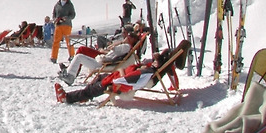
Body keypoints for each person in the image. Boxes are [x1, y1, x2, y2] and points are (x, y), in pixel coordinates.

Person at [55, 41, 189, 104]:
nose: (153, 61)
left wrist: (118, 75)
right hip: (117, 75)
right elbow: (169, 68)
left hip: (117, 81)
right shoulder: (149, 68)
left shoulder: (146, 72)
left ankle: (67, 97)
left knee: (97, 86)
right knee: (99, 78)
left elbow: (127, 80)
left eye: (155, 61)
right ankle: (85, 96)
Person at [50, 0, 76, 64]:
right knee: (56, 41)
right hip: (58, 25)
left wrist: (66, 18)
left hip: (67, 25)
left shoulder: (70, 5)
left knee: (69, 41)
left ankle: (72, 56)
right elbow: (54, 14)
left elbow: (73, 15)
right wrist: (55, 19)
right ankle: (54, 57)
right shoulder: (57, 5)